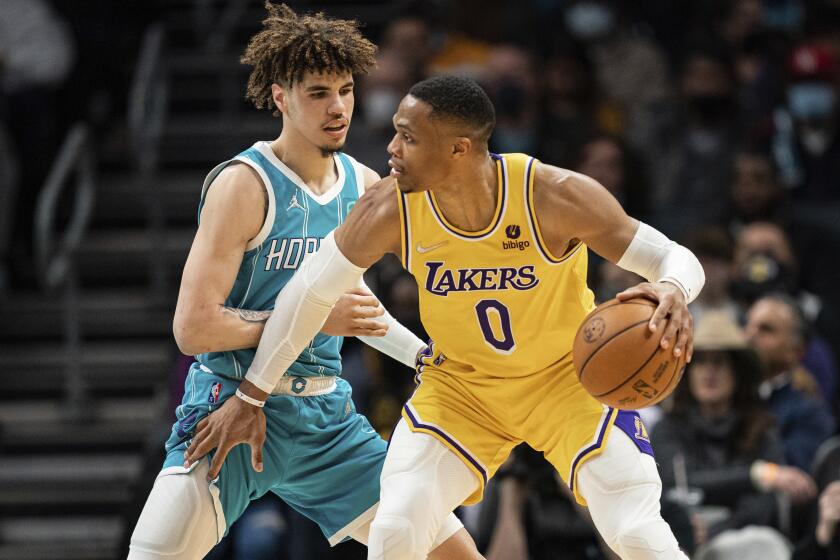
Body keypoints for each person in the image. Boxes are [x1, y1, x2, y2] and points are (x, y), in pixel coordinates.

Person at [187, 75, 706, 559]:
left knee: (636, 532)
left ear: (459, 148)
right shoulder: (388, 209)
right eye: (394, 133)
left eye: (408, 138)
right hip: (463, 389)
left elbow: (673, 257)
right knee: (396, 529)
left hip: (567, 382)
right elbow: (307, 296)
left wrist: (673, 288)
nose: (390, 150)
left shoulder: (552, 194)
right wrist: (252, 394)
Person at [128, 5, 480, 559]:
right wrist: (315, 316)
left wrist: (424, 358)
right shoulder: (244, 185)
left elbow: (359, 312)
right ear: (280, 98)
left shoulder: (362, 186)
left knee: (456, 555)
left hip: (325, 421)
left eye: (345, 89)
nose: (337, 107)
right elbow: (194, 328)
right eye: (318, 93)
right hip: (232, 411)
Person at [651, 311, 815, 547]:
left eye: (719, 362)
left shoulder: (762, 425)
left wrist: (718, 531)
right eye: (700, 362)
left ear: (737, 373)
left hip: (746, 539)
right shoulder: (667, 428)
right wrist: (755, 475)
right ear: (687, 373)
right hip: (682, 542)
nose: (709, 372)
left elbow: (767, 503)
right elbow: (679, 484)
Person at [745, 293, 835, 471]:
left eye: (766, 329)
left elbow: (788, 477)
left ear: (796, 351)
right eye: (748, 325)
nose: (750, 336)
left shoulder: (810, 414)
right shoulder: (724, 395)